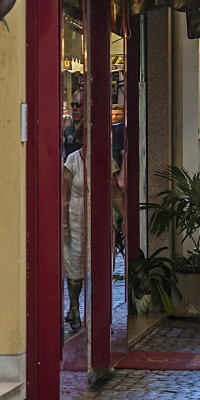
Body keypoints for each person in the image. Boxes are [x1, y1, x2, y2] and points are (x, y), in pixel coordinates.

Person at [63, 124, 124, 332]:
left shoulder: (108, 162)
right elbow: (65, 194)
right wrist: (63, 224)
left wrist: (125, 217)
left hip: (100, 220)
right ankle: (74, 307)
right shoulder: (72, 161)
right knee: (75, 266)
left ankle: (99, 315)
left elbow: (115, 192)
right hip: (76, 219)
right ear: (82, 138)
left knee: (100, 266)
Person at [64, 90, 84, 160]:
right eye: (72, 105)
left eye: (78, 105)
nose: (74, 108)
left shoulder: (91, 130)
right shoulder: (68, 130)